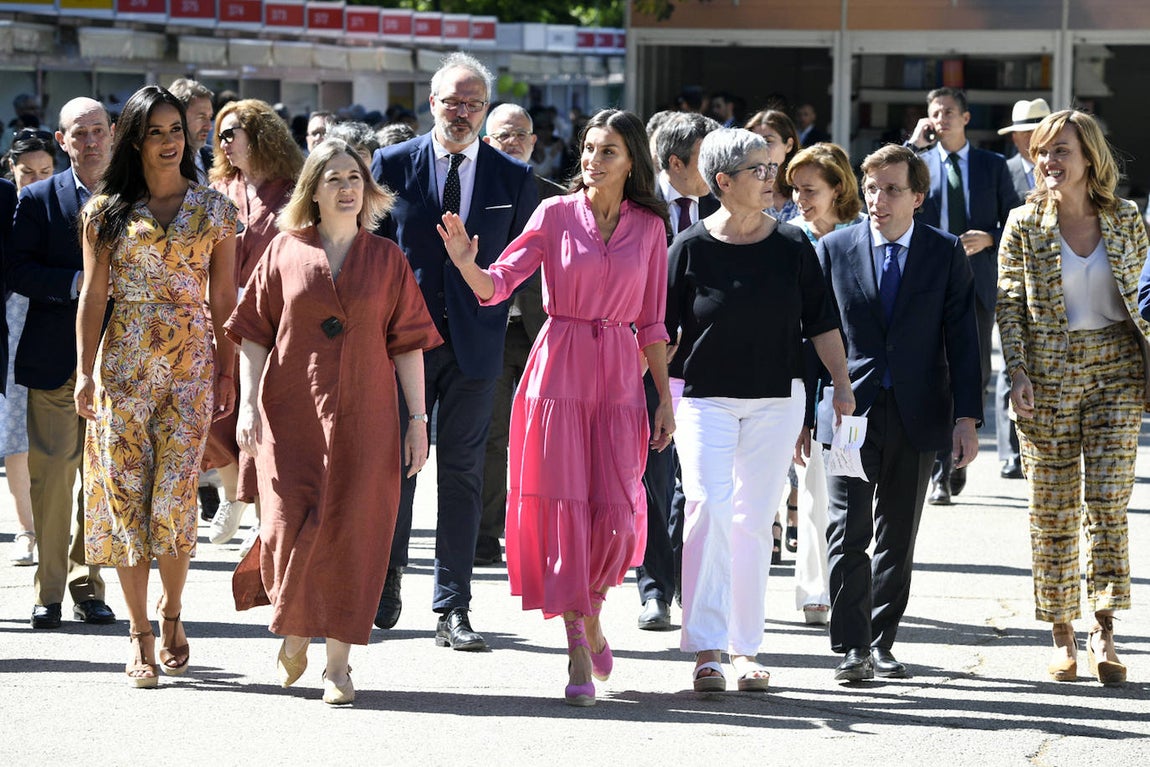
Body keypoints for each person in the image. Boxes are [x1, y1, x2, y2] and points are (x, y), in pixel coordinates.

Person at [439, 107, 673, 706]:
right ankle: (576, 641)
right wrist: (467, 263)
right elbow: (498, 285)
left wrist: (663, 397)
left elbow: (652, 320)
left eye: (608, 151)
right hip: (558, 368)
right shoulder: (554, 213)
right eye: (589, 148)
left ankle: (593, 613)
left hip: (620, 374)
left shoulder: (649, 226)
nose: (592, 160)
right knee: (564, 506)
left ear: (631, 162)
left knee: (615, 510)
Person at [227, 138, 440, 705]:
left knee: (355, 531)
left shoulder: (387, 258)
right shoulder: (282, 250)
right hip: (290, 412)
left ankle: (338, 666)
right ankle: (295, 628)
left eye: (355, 177)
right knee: (284, 526)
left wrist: (418, 421)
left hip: (368, 414)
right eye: (334, 178)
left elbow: (409, 344)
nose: (347, 187)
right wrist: (247, 405)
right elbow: (251, 333)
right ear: (313, 191)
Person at [667, 128, 853, 692]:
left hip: (776, 401)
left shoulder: (794, 246)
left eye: (769, 168)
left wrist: (841, 385)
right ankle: (707, 646)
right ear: (723, 182)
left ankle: (745, 649)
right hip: (702, 400)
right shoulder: (690, 247)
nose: (771, 179)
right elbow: (660, 331)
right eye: (759, 170)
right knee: (707, 507)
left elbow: (821, 321)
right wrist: (648, 394)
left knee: (754, 521)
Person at [370, 52, 538, 649]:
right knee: (397, 471)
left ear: (485, 110)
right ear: (431, 102)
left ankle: (452, 607)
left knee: (463, 476)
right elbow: (374, 254)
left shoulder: (511, 178)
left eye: (474, 104)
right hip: (401, 346)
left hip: (476, 347)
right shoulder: (390, 164)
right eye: (452, 101)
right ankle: (385, 581)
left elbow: (517, 270)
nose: (462, 112)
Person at [74, 85, 238, 687]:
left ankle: (173, 612)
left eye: (177, 130)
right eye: (157, 132)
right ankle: (139, 631)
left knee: (174, 500)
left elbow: (225, 301)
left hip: (191, 372)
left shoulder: (216, 210)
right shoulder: (105, 211)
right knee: (125, 502)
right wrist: (84, 371)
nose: (170, 142)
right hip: (123, 371)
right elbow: (94, 296)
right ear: (135, 140)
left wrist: (228, 372)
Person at [813, 144, 982, 682]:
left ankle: (883, 640)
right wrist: (805, 415)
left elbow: (963, 339)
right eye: (871, 188)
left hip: (918, 411)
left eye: (891, 189)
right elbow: (814, 335)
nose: (878, 199)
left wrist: (967, 419)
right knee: (847, 529)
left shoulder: (943, 251)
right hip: (848, 412)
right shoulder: (835, 248)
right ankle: (852, 646)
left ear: (918, 197)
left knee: (897, 534)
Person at [1006, 110, 1148, 687]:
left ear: (1089, 156)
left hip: (1116, 368)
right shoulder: (1024, 222)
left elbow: (1148, 290)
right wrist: (1016, 370)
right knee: (1053, 508)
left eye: (1060, 150)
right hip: (1048, 375)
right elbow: (1009, 300)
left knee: (1109, 500)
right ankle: (1061, 629)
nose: (1048, 162)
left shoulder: (1126, 217)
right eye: (1042, 152)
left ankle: (1105, 629)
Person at [8, 98, 118, 630]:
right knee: (52, 481)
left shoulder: (133, 198)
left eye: (99, 131)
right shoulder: (35, 200)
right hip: (54, 360)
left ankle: (88, 586)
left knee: (100, 480)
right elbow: (18, 270)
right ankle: (48, 592)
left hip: (118, 363)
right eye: (80, 133)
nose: (91, 141)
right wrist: (77, 285)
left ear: (113, 134)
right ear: (62, 139)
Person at [907, 87, 1020, 505]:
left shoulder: (993, 165)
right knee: (935, 372)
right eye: (935, 113)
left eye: (949, 112)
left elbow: (1015, 216)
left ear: (966, 117)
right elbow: (888, 193)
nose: (942, 119)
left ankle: (959, 454)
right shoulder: (917, 165)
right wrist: (911, 145)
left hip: (977, 280)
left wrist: (990, 236)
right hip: (928, 283)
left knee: (971, 371)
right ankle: (940, 469)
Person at [203, 99, 304, 551]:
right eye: (220, 134)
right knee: (217, 414)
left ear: (260, 135)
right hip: (219, 311)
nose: (223, 141)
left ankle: (266, 522)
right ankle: (233, 494)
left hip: (272, 316)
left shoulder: (293, 191)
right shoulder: (219, 187)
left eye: (232, 132)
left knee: (262, 417)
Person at [637, 111, 720, 633]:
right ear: (675, 163)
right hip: (646, 361)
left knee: (700, 485)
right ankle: (654, 591)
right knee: (655, 479)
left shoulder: (725, 204)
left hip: (708, 364)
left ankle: (695, 587)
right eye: (707, 160)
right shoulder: (637, 205)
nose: (719, 170)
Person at [475, 103, 566, 568]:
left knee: (544, 439)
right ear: (487, 142)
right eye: (503, 136)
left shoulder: (557, 199)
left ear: (534, 143)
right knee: (488, 436)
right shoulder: (470, 193)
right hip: (487, 331)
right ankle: (485, 536)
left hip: (542, 332)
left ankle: (539, 536)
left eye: (522, 135)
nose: (513, 142)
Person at [786, 141, 866, 625]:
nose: (799, 198)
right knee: (813, 485)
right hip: (805, 378)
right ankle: (815, 587)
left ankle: (855, 585)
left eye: (810, 190)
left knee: (855, 489)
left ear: (839, 188)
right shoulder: (786, 238)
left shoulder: (864, 235)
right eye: (794, 189)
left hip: (859, 376)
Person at [3, 130, 53, 566]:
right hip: (10, 321)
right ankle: (25, 529)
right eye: (26, 173)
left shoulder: (59, 201)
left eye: (45, 171)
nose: (35, 179)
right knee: (15, 431)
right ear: (11, 169)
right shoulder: (5, 204)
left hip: (53, 317)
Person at [995, 97, 1052, 481]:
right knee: (1009, 367)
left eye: (1030, 130)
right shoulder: (1006, 169)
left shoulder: (1064, 168)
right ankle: (1009, 453)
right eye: (1018, 132)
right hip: (1013, 278)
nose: (1023, 138)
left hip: (1052, 283)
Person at [743, 109, 801, 222]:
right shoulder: (743, 189)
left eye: (768, 141)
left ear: (789, 145)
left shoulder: (804, 187)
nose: (760, 147)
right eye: (754, 142)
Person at [167, 78, 215, 183]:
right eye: (201, 117)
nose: (208, 126)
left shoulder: (216, 159)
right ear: (179, 117)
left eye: (210, 117)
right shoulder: (162, 160)